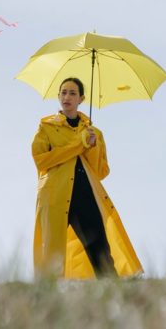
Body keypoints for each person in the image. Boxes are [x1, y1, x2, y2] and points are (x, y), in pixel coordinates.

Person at [31, 77, 143, 279]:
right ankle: (48, 295)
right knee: (52, 250)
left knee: (98, 243)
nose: (67, 97)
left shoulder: (93, 133)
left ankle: (111, 289)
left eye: (73, 93)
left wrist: (91, 146)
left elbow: (101, 171)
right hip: (55, 194)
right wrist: (78, 145)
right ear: (58, 96)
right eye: (63, 92)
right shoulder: (46, 127)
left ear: (81, 99)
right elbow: (42, 160)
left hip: (85, 193)